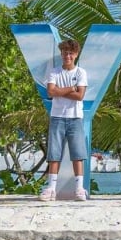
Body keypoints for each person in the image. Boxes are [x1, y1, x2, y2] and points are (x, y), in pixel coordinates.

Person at [39, 38, 89, 202]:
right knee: (54, 154)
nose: (67, 55)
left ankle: (79, 189)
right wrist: (71, 89)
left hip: (75, 118)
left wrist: (61, 91)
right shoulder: (54, 72)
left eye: (71, 53)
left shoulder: (81, 72)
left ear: (76, 55)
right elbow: (50, 92)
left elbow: (80, 96)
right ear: (61, 54)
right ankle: (51, 189)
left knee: (77, 154)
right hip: (57, 117)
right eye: (65, 52)